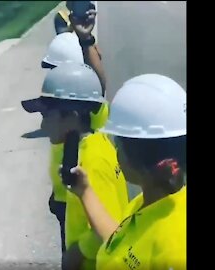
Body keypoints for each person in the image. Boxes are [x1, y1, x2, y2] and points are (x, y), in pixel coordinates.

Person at [66, 74, 187, 270]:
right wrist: (85, 191)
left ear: (133, 160)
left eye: (118, 144)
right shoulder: (145, 204)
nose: (115, 150)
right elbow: (119, 242)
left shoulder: (175, 249)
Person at [21, 63, 129, 270]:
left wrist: (75, 254)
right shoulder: (96, 143)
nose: (43, 126)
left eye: (47, 116)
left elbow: (107, 230)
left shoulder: (91, 161)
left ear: (72, 116)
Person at [33, 6, 110, 254]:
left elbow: (97, 85)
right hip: (64, 197)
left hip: (76, 202)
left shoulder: (88, 112)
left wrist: (86, 40)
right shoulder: (67, 116)